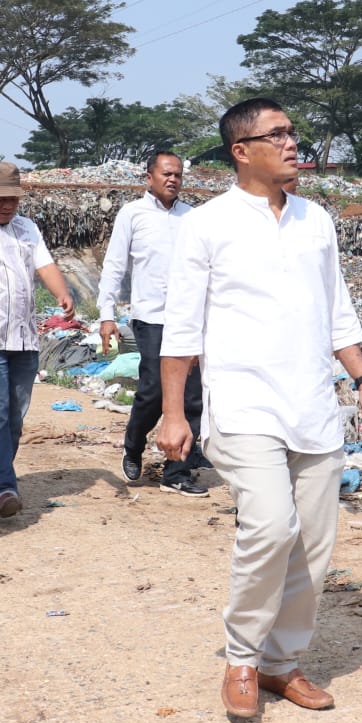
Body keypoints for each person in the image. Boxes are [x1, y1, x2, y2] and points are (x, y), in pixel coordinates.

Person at [158, 98, 362, 723]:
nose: (292, 143)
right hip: (243, 404)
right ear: (241, 150)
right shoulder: (207, 225)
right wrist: (173, 414)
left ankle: (282, 664)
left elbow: (337, 308)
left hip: (313, 402)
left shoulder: (317, 221)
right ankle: (241, 659)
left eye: (292, 133)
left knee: (313, 542)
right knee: (269, 527)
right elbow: (181, 330)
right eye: (276, 134)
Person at [0, 162, 74, 520]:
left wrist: (63, 294)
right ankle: (5, 486)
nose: (8, 205)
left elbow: (45, 265)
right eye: (0, 199)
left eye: (13, 199)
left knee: (15, 419)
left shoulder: (27, 227)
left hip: (23, 339)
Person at [97, 150, 207, 497]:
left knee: (192, 396)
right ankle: (134, 443)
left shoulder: (193, 218)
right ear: (149, 177)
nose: (173, 179)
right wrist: (106, 315)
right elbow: (114, 266)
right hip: (150, 317)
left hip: (188, 318)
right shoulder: (132, 215)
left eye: (178, 175)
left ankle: (178, 470)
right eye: (166, 174)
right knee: (153, 390)